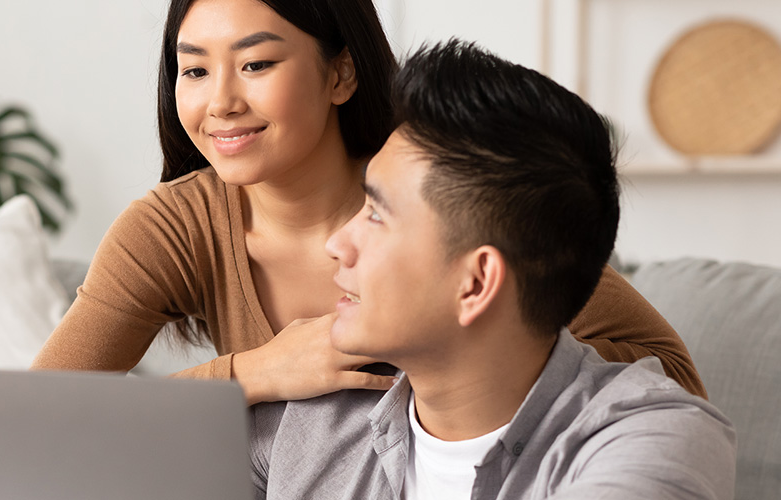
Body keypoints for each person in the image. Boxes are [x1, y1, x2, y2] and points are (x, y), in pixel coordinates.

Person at [32, 0, 707, 402]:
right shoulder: (173, 229)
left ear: (341, 72)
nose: (221, 102)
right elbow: (40, 413)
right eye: (195, 69)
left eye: (256, 63)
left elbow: (673, 375)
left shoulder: (435, 191)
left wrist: (453, 364)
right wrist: (253, 374)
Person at [249, 40, 736, 500]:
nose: (336, 244)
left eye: (376, 215)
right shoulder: (313, 417)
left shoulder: (654, 440)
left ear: (477, 283)